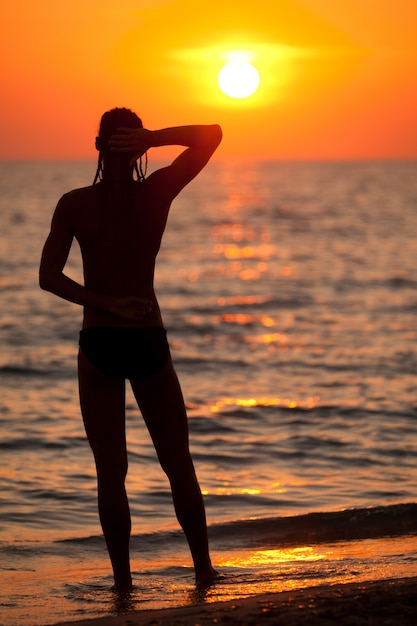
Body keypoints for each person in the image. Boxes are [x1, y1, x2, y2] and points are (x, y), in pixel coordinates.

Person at [39, 107, 222, 592]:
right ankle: (203, 570)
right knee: (177, 462)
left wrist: (105, 303)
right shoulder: (157, 192)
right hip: (146, 334)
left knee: (110, 472)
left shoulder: (75, 203)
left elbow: (48, 277)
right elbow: (212, 134)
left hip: (100, 339)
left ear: (97, 146)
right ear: (137, 147)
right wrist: (155, 138)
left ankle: (123, 584)